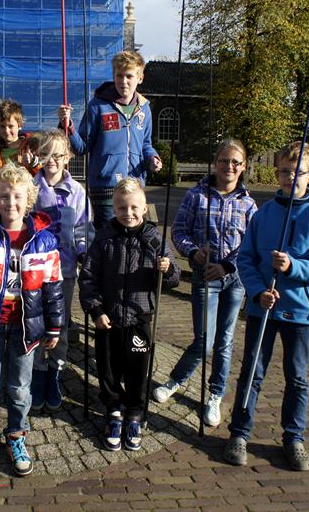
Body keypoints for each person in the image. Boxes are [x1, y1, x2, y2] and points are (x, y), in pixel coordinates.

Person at [223, 141, 309, 471]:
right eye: (284, 171)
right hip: (263, 309)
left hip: (301, 312)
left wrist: (293, 266)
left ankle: (294, 438)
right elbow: (246, 259)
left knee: (296, 377)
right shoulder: (264, 215)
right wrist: (258, 291)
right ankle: (239, 433)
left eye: (297, 172)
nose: (289, 177)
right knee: (252, 371)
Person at [0, 164, 63, 477]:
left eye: (17, 196)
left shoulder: (44, 241)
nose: (10, 203)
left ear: (28, 199)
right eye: (4, 196)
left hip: (25, 327)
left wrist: (54, 326)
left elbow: (53, 286)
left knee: (19, 388)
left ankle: (16, 434)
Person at [152, 139, 257, 428]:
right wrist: (192, 252)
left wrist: (228, 265)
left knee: (225, 341)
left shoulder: (248, 204)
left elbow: (251, 243)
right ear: (215, 163)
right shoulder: (197, 195)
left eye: (235, 162)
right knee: (204, 341)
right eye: (224, 161)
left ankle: (215, 393)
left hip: (234, 280)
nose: (229, 166)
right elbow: (179, 231)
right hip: (204, 277)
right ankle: (176, 379)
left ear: (243, 166)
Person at [79, 178, 179, 452]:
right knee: (108, 370)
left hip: (139, 318)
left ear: (145, 208)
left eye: (134, 207)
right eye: (122, 208)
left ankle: (135, 412)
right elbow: (88, 278)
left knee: (137, 371)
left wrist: (168, 269)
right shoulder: (103, 238)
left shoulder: (155, 240)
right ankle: (114, 410)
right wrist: (95, 310)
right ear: (114, 208)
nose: (128, 213)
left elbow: (173, 280)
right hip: (108, 320)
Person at [58, 50, 162, 229]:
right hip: (105, 190)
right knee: (107, 239)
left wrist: (152, 158)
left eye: (129, 76)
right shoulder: (97, 106)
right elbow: (82, 147)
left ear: (140, 78)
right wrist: (68, 126)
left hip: (134, 189)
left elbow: (146, 144)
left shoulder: (145, 108)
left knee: (132, 240)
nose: (123, 81)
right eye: (119, 76)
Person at [29, 129, 93, 411]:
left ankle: (55, 370)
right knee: (36, 322)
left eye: (57, 155)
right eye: (45, 154)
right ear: (38, 156)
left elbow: (83, 229)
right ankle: (38, 371)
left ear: (67, 157)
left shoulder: (77, 192)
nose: (51, 160)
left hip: (64, 271)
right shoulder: (31, 188)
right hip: (35, 271)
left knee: (60, 325)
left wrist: (84, 253)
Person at [0, 100, 40, 175]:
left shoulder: (31, 148)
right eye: (2, 126)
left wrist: (33, 162)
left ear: (20, 126)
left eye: (10, 126)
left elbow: (44, 175)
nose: (6, 131)